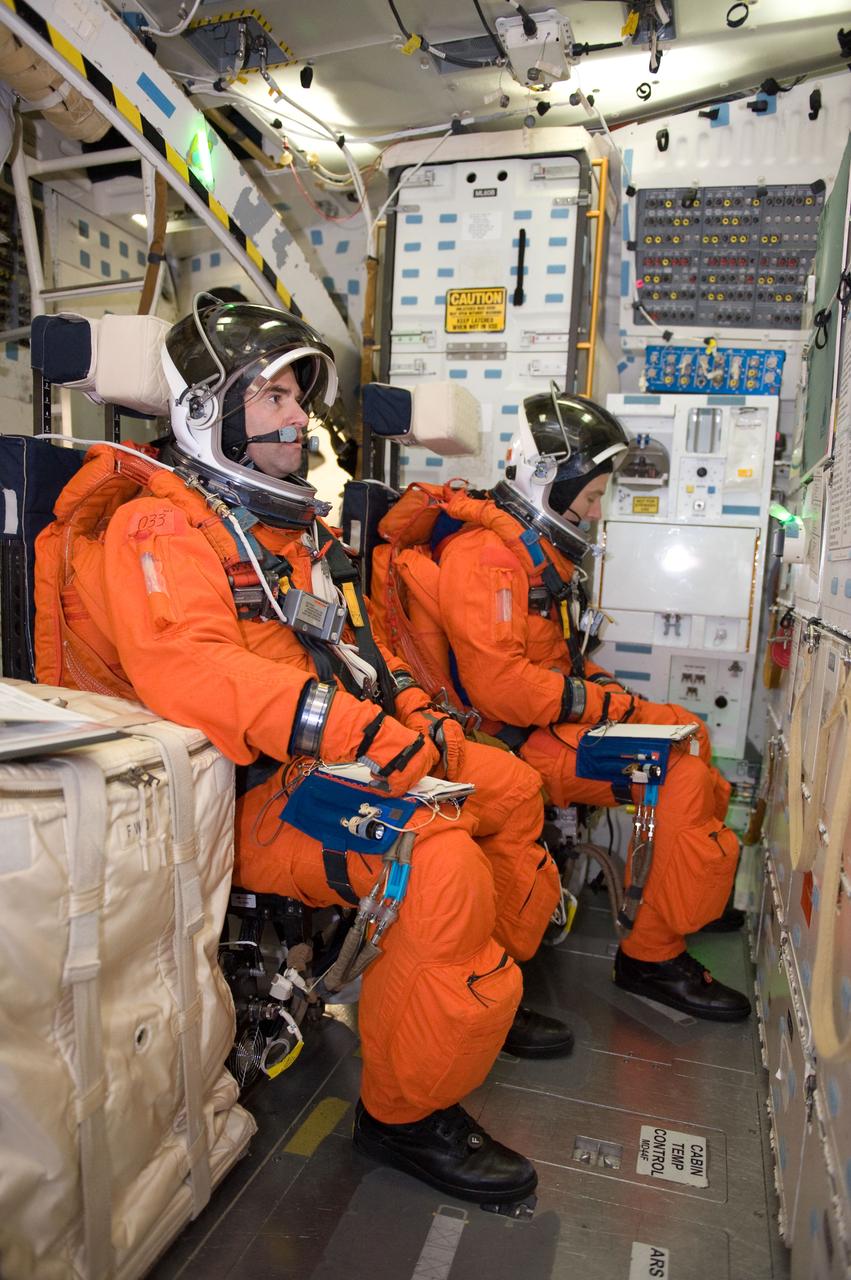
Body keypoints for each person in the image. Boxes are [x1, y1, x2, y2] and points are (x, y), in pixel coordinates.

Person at [33, 297, 573, 1207]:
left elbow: (363, 649)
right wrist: (362, 735)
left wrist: (412, 717)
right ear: (207, 412)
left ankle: (476, 993)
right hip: (240, 794)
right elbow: (194, 676)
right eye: (274, 397)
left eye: (298, 397)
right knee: (436, 861)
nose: (299, 417)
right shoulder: (157, 528)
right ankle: (404, 1114)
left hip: (323, 761)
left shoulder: (295, 535)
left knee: (510, 787)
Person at [375, 388, 752, 1022]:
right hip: (507, 737)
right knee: (680, 770)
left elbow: (556, 663)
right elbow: (503, 689)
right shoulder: (487, 555)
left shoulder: (531, 550)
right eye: (595, 493)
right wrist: (600, 702)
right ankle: (652, 956)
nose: (598, 510)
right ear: (548, 476)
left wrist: (613, 698)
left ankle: (682, 902)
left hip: (543, 720)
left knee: (689, 734)